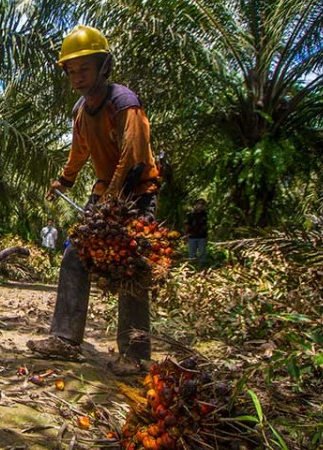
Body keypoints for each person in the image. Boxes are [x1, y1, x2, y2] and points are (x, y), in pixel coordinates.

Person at [26, 25, 160, 375]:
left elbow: (133, 158)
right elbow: (80, 150)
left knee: (132, 268)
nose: (77, 77)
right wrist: (65, 180)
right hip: (105, 194)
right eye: (71, 70)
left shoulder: (124, 104)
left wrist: (113, 201)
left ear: (104, 66)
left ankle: (135, 354)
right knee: (75, 254)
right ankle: (66, 339)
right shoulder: (81, 111)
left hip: (137, 194)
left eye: (84, 68)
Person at [185, 198, 208, 266]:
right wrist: (186, 235)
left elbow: (205, 226)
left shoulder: (205, 214)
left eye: (202, 204)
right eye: (199, 203)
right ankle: (192, 267)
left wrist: (207, 236)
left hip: (202, 237)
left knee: (202, 253)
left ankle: (202, 267)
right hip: (192, 236)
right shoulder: (190, 214)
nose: (200, 205)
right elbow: (187, 225)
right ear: (196, 205)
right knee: (192, 254)